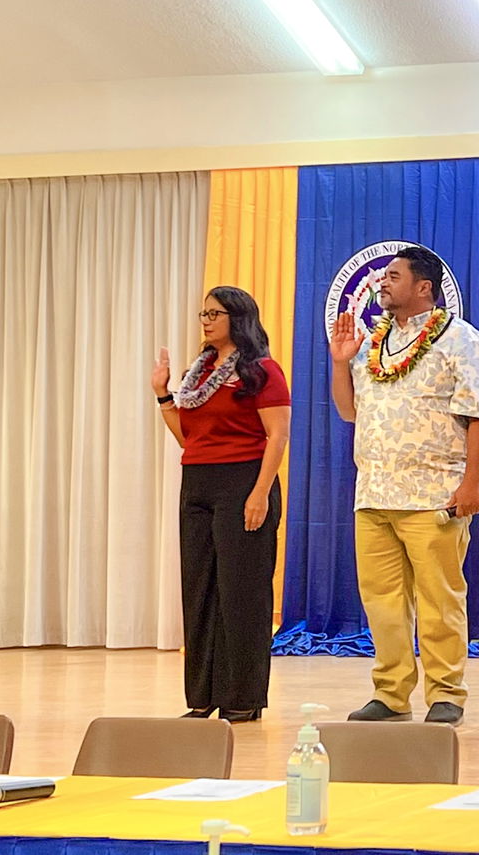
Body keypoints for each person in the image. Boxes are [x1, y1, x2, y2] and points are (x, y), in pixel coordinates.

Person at [329, 245, 479, 727]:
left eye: (393, 276)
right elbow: (347, 410)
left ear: (424, 287)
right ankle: (391, 692)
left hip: (435, 496)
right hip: (374, 492)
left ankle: (447, 693)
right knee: (381, 602)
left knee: (440, 599)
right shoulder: (374, 343)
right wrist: (342, 362)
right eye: (383, 276)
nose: (383, 282)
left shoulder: (460, 338)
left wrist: (471, 484)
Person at [152, 286, 290, 723]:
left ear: (239, 318)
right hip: (198, 482)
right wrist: (163, 395)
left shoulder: (261, 371)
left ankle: (242, 696)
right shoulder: (198, 373)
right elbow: (189, 437)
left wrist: (259, 492)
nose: (206, 320)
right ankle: (202, 696)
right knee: (200, 590)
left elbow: (278, 434)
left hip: (244, 480)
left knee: (241, 593)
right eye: (203, 313)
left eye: (215, 313)